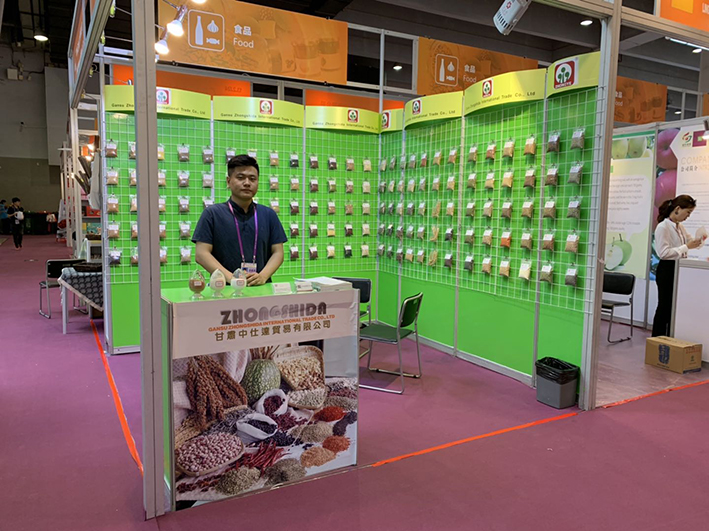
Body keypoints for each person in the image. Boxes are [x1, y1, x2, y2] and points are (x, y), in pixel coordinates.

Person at [192, 155, 287, 286]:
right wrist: (231, 278)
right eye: (240, 177)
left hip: (261, 287)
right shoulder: (212, 214)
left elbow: (278, 252)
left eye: (252, 179)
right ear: (228, 181)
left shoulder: (268, 214)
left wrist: (263, 276)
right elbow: (201, 254)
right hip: (224, 288)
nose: (247, 183)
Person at [651, 195, 705, 337]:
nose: (688, 216)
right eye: (688, 212)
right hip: (667, 269)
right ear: (678, 209)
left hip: (677, 269)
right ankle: (657, 339)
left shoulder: (679, 226)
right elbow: (663, 253)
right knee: (664, 306)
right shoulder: (663, 227)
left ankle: (669, 338)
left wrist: (699, 240)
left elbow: (689, 241)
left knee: (673, 307)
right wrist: (686, 247)